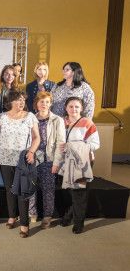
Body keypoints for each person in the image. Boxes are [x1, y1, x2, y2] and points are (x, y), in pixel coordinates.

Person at [0, 89, 40, 238]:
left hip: (23, 159)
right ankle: (12, 217)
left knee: (22, 191)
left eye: (23, 100)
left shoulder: (30, 117)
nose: (21, 102)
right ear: (10, 102)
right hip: (4, 158)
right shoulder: (0, 117)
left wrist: (31, 152)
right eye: (18, 100)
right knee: (9, 190)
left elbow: (37, 138)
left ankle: (24, 224)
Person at [59, 97, 100, 234]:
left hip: (81, 162)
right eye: (71, 106)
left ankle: (78, 223)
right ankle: (69, 215)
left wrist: (73, 146)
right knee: (70, 193)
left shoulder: (87, 123)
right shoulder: (61, 122)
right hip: (64, 163)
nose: (73, 109)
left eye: (77, 106)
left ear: (81, 108)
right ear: (66, 108)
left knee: (79, 193)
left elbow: (95, 144)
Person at [27, 91, 65, 228]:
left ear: (51, 104)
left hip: (49, 159)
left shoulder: (57, 120)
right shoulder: (31, 118)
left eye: (47, 102)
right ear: (36, 103)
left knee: (48, 189)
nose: (44, 104)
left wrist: (57, 163)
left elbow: (61, 143)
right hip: (33, 158)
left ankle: (47, 216)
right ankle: (32, 213)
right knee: (31, 187)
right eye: (41, 101)